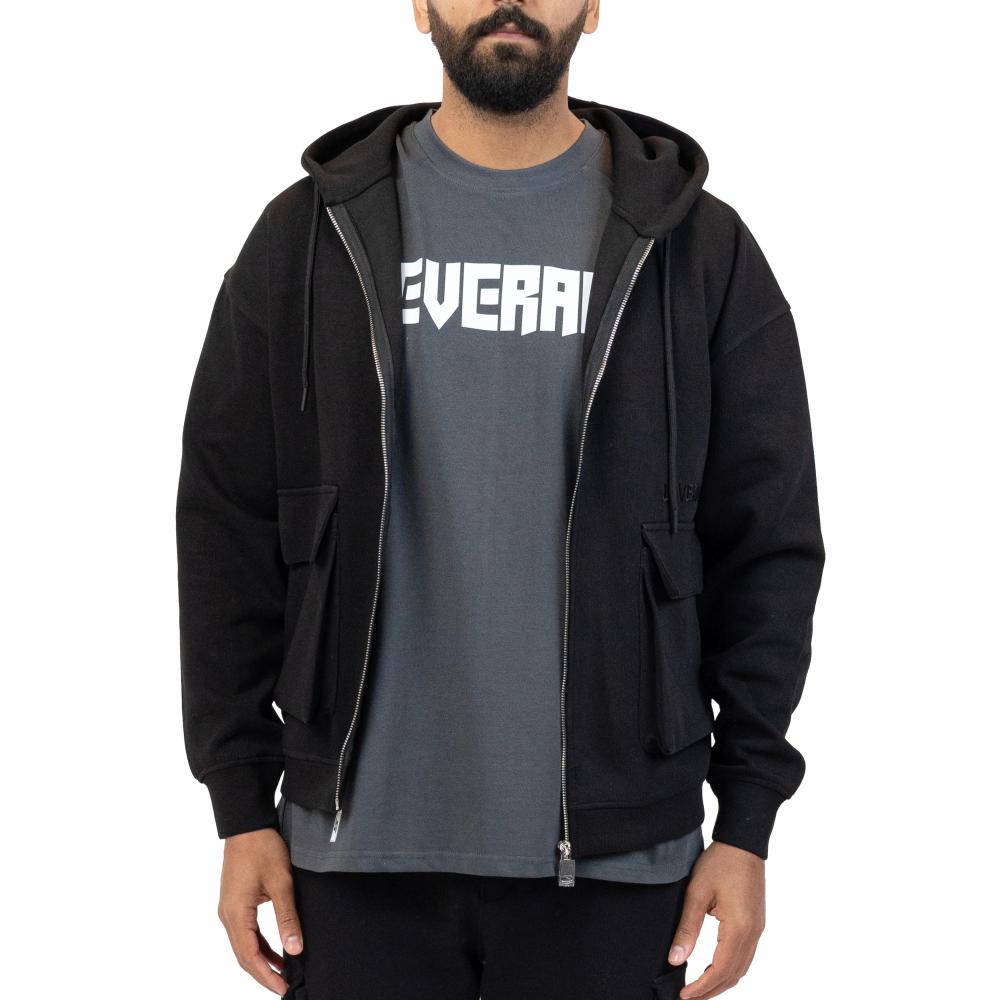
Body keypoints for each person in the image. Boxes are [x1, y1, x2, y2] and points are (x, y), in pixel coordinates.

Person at [175, 2, 825, 998]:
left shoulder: (697, 249)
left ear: (593, 8)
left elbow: (768, 543)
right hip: (349, 854)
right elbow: (226, 522)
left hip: (616, 856)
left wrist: (745, 822)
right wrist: (239, 802)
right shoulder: (306, 237)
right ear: (418, 6)